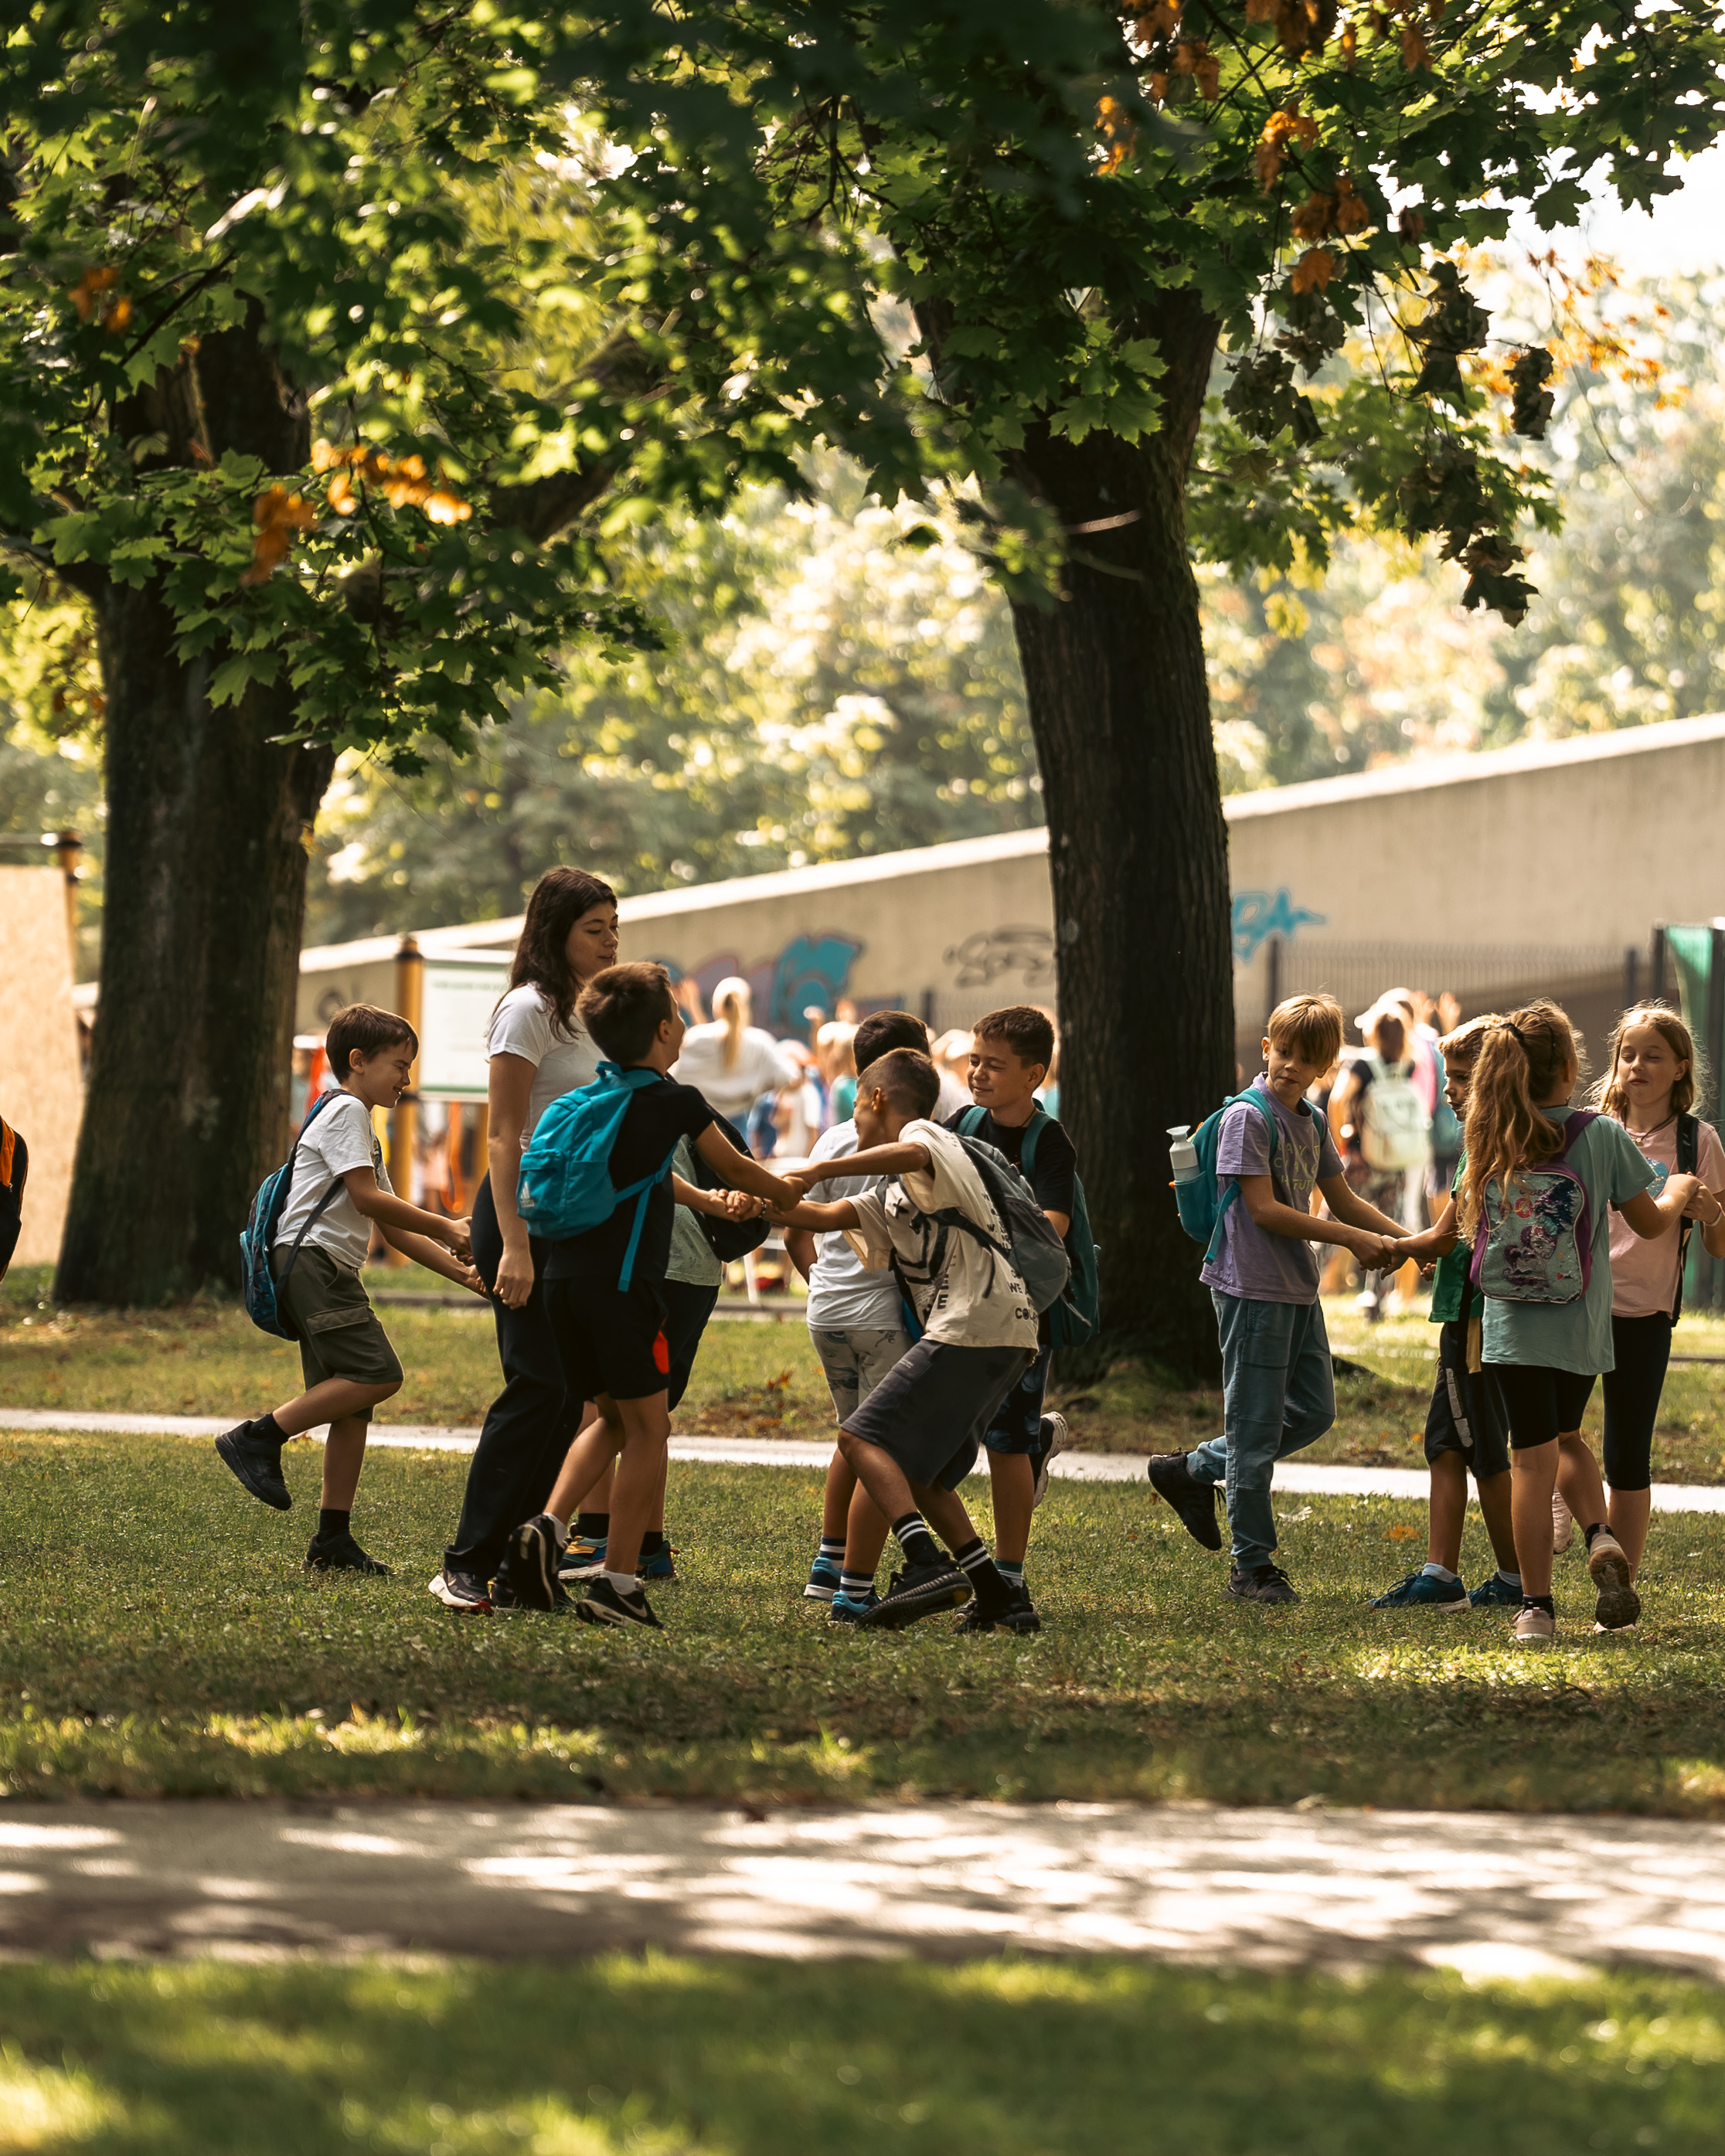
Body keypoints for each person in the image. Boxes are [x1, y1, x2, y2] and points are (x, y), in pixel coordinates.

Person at [534, 963, 798, 1630]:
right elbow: (739, 1167)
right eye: (678, 1016)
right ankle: (619, 1585)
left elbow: (650, 1179)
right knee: (651, 1426)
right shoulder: (675, 1101)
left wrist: (708, 1198)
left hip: (564, 1281)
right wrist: (790, 1192)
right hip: (627, 1290)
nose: (685, 1027)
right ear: (662, 1029)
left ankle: (541, 1530)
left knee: (611, 1418)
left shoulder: (584, 1101)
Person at [1148, 994, 1412, 1604]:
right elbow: (1265, 1210)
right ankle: (1252, 1568)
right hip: (1251, 1285)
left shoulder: (1312, 1120)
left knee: (1314, 1411)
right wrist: (1350, 1240)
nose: (1291, 1066)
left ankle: (1190, 1470)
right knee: (1254, 1429)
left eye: (1306, 1058)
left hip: (1296, 1287)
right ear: (1267, 1049)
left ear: (1325, 1066)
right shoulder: (1250, 1118)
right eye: (1283, 1052)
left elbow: (1343, 1200)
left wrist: (1412, 1240)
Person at [1451, 1001, 1699, 1645]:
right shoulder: (1602, 1134)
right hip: (1580, 1328)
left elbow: (1466, 1219)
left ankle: (1536, 1609)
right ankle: (1600, 1534)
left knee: (1531, 1464)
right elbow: (1649, 1219)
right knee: (1569, 1437)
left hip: (1509, 1329)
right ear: (1569, 1066)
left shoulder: (1491, 1129)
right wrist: (1678, 1188)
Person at [216, 1003, 484, 1573]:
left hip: (318, 1265)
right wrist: (447, 1224)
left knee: (352, 1403)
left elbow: (391, 1227)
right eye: (399, 1065)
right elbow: (366, 1200)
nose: (406, 1079)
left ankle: (332, 1540)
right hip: (316, 1266)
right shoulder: (346, 1113)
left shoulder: (357, 1122)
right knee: (377, 1374)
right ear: (358, 1061)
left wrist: (462, 1272)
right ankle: (258, 1437)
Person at [771, 1047, 1031, 1633]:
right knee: (924, 1477)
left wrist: (814, 1170)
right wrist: (759, 1197)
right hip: (1001, 1331)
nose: (853, 1123)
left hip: (973, 1324)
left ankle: (925, 1562)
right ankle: (1000, 1598)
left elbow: (909, 1151)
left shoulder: (929, 1139)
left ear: (877, 1100)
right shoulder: (896, 1194)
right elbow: (824, 1216)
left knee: (861, 1436)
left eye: (857, 1109)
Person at [429, 869, 617, 1613]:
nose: (608, 942)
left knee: (570, 1395)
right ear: (555, 931)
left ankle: (518, 1561)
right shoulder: (527, 1008)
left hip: (573, 1219)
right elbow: (504, 1133)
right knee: (538, 1384)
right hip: (522, 1216)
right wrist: (511, 1243)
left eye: (613, 928)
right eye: (594, 928)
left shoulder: (589, 1012)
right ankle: (465, 1562)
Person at [1564, 1003, 1725, 1586]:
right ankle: (1579, 1512)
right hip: (1577, 1304)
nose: (1637, 1065)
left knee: (1628, 1454)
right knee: (1557, 1432)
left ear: (1681, 1068)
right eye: (1628, 1054)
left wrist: (1710, 1211)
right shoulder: (1588, 1127)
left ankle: (1620, 1589)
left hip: (1646, 1314)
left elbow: (1720, 1244)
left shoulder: (1696, 1140)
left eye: (1653, 1056)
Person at [1368, 1015, 1523, 1612]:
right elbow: (1460, 1238)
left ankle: (1512, 1578)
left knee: (1484, 1452)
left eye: (1461, 1079)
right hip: (1468, 1315)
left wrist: (1390, 1249)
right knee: (1447, 1446)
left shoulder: (1488, 1149)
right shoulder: (1485, 1146)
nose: (1450, 1090)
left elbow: (1440, 1236)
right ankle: (1442, 1573)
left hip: (1476, 1327)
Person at [783, 1011, 931, 1621]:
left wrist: (821, 1281)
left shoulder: (830, 1141)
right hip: (879, 1317)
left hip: (827, 1315)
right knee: (882, 1449)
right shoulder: (921, 1144)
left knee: (853, 1437)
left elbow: (798, 1226)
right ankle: (853, 1586)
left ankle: (829, 1560)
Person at [945, 1005, 1076, 1628]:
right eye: (975, 1061)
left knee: (1005, 1441)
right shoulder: (960, 1124)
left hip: (1024, 1316)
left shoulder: (1048, 1141)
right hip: (961, 1306)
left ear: (1034, 1076)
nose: (978, 1074)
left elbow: (1053, 1229)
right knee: (958, 1436)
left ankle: (1010, 1579)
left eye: (994, 1066)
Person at [1327, 998, 1431, 1318]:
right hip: (1396, 1161)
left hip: (1362, 1159)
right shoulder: (1408, 1065)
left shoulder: (1361, 1064)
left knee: (1333, 1218)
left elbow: (1337, 1099)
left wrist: (1338, 1139)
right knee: (1389, 1229)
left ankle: (1311, 1277)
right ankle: (1376, 1299)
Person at [672, 976, 800, 1124]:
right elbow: (791, 1079)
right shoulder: (760, 1043)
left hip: (695, 1126)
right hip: (737, 1131)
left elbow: (673, 1078)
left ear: (716, 1006)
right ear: (746, 1006)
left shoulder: (695, 1038)